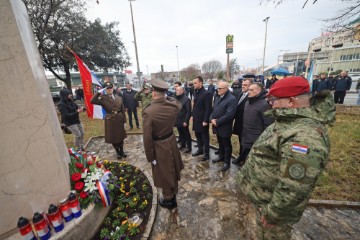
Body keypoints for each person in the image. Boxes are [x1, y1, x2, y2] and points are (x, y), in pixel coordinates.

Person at [237, 76, 336, 240]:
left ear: (291, 101)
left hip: (273, 210)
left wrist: (275, 214)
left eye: (274, 100)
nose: (271, 104)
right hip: (264, 199)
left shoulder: (305, 136)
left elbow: (295, 186)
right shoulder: (290, 120)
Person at [142, 79, 184, 210]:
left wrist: (150, 157)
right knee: (171, 168)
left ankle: (168, 200)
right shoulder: (173, 106)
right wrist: (167, 96)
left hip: (159, 145)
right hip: (171, 140)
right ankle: (173, 193)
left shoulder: (149, 112)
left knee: (164, 172)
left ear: (153, 94)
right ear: (165, 93)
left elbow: (147, 138)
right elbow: (177, 102)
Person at [90, 82, 127, 159]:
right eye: (108, 88)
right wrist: (98, 92)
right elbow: (92, 101)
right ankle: (117, 151)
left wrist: (125, 121)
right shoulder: (103, 98)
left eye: (111, 88)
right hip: (110, 119)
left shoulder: (118, 97)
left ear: (113, 88)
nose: (110, 89)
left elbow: (122, 109)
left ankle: (122, 150)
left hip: (119, 118)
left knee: (121, 135)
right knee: (113, 136)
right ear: (105, 89)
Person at [240, 83, 274, 164]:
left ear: (259, 91)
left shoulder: (264, 105)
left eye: (252, 90)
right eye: (249, 90)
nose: (249, 92)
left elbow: (268, 126)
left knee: (253, 162)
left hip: (256, 140)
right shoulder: (248, 102)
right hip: (246, 136)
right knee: (245, 159)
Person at [210, 81, 237, 171]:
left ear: (226, 89)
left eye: (220, 88)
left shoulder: (231, 99)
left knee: (226, 145)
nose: (218, 90)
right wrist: (211, 119)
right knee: (220, 143)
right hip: (216, 125)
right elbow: (214, 110)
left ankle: (227, 162)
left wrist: (217, 122)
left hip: (224, 126)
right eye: (217, 88)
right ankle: (221, 157)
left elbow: (229, 115)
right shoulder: (218, 97)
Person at [191, 76, 212, 161]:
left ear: (200, 83)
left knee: (205, 137)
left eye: (195, 83)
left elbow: (208, 108)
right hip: (196, 119)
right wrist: (192, 115)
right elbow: (195, 105)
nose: (194, 85)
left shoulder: (206, 94)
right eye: (193, 83)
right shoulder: (196, 92)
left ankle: (206, 154)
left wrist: (205, 120)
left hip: (203, 120)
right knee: (197, 135)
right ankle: (200, 150)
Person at [232, 78, 251, 165]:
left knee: (245, 143)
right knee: (240, 140)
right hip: (239, 122)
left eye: (245, 85)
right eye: (242, 85)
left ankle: (244, 158)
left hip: (246, 123)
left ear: (250, 86)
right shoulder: (240, 93)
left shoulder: (250, 96)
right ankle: (241, 156)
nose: (243, 86)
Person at [175, 86, 192, 153]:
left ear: (182, 91)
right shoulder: (176, 98)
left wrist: (186, 121)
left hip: (183, 120)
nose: (176, 91)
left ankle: (189, 147)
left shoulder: (187, 99)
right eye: (176, 90)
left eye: (178, 90)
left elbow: (188, 111)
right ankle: (183, 144)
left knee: (186, 134)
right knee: (180, 133)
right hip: (177, 119)